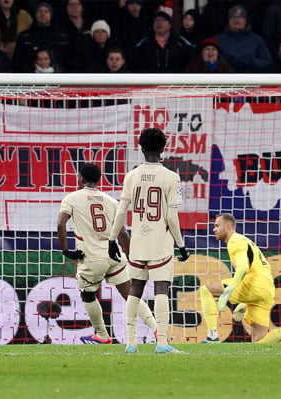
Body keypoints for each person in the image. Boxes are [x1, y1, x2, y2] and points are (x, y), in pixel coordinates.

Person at [108, 127, 191, 354]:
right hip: (160, 242)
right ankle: (162, 343)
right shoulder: (171, 177)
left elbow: (121, 212)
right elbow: (172, 217)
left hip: (138, 241)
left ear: (141, 149)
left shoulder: (131, 176)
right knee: (161, 288)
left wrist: (112, 239)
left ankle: (131, 343)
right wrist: (181, 244)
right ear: (163, 149)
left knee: (135, 289)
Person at [58, 163, 157, 345]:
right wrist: (132, 257)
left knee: (87, 294)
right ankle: (156, 327)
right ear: (98, 180)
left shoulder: (71, 198)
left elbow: (61, 224)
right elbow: (123, 233)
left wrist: (66, 250)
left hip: (91, 256)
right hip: (115, 255)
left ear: (80, 179)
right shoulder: (111, 201)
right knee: (130, 294)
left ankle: (102, 335)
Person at [198, 213, 281, 344]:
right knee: (259, 342)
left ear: (228, 227)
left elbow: (243, 268)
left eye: (217, 225)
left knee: (205, 290)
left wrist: (228, 291)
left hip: (254, 284)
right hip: (266, 290)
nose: (214, 229)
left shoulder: (235, 241)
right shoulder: (245, 241)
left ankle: (212, 335)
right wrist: (244, 302)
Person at [214, 5, 272, 73]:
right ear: (229, 21)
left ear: (245, 21)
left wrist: (249, 62)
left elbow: (267, 61)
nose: (237, 19)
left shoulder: (257, 39)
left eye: (240, 17)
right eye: (233, 17)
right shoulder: (217, 39)